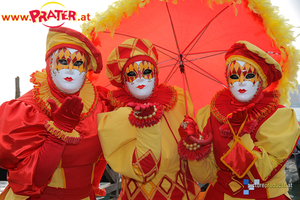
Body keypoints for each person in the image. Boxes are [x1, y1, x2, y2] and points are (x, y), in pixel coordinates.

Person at [178, 41, 300, 199]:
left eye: (249, 75)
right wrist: (194, 146)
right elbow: (204, 177)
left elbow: (261, 173)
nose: (241, 81)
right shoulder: (209, 115)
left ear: (262, 79)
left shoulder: (279, 117)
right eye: (234, 76)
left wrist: (239, 133)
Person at [0, 27, 111, 200]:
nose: (70, 69)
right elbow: (30, 182)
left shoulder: (102, 104)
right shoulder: (26, 109)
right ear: (49, 64)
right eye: (63, 61)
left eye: (78, 63)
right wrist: (58, 133)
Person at [97, 38, 214, 200]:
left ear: (156, 74)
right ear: (123, 81)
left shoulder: (178, 103)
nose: (140, 78)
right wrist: (146, 125)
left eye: (146, 71)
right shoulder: (118, 117)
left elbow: (202, 174)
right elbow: (143, 169)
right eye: (131, 73)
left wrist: (193, 144)